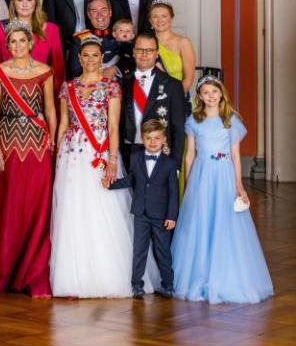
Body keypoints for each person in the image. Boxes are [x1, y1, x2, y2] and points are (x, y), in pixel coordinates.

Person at [50, 36, 155, 298]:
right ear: (79, 58)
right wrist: (57, 155)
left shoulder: (111, 87)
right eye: (85, 55)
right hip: (72, 155)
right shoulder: (67, 87)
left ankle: (109, 274)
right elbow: (63, 125)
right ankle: (75, 275)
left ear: (101, 57)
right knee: (73, 211)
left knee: (103, 210)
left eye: (95, 55)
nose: (90, 60)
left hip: (99, 152)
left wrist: (112, 161)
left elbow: (112, 126)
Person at [0, 21, 56, 298]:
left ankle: (32, 273)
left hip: (37, 145)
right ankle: (4, 270)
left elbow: (50, 110)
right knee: (8, 208)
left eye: (22, 40)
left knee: (36, 208)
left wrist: (52, 140)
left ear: (31, 43)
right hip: (8, 143)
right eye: (13, 42)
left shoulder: (45, 71)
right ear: (7, 46)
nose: (18, 45)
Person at [171, 77, 273, 304]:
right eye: (205, 92)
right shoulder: (194, 121)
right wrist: (189, 185)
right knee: (201, 220)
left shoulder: (230, 121)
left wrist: (239, 184)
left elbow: (235, 155)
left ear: (221, 94)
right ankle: (199, 276)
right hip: (202, 174)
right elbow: (190, 156)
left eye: (214, 92)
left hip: (224, 174)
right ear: (199, 96)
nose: (210, 96)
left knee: (224, 220)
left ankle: (225, 275)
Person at [104, 119, 178, 299]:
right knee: (139, 250)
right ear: (142, 139)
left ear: (163, 140)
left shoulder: (169, 163)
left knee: (162, 251)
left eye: (156, 138)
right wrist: (110, 184)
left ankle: (167, 284)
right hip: (140, 213)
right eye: (148, 138)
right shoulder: (136, 157)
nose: (153, 142)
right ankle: (137, 284)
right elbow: (131, 180)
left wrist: (171, 216)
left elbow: (173, 192)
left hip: (161, 216)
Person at [0, 0, 65, 102]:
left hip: (41, 98)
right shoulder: (0, 28)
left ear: (36, 2)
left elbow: (58, 71)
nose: (24, 4)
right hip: (8, 97)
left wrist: (55, 104)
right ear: (13, 3)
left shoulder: (51, 29)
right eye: (19, 0)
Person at [119, 33, 186, 171]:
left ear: (157, 53)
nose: (144, 54)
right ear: (133, 52)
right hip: (129, 152)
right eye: (140, 49)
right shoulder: (122, 83)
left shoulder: (172, 85)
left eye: (149, 50)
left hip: (161, 152)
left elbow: (178, 127)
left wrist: (176, 164)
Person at [149, 0, 196, 97]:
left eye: (164, 16)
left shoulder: (183, 42)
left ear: (171, 18)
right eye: (155, 17)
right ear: (150, 20)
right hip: (150, 97)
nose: (159, 20)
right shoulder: (146, 43)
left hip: (178, 96)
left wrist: (174, 101)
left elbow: (188, 79)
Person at [66, 0, 119, 80]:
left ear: (110, 12)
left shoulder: (122, 35)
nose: (99, 15)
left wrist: (116, 69)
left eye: (103, 10)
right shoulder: (80, 38)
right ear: (89, 15)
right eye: (94, 11)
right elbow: (74, 70)